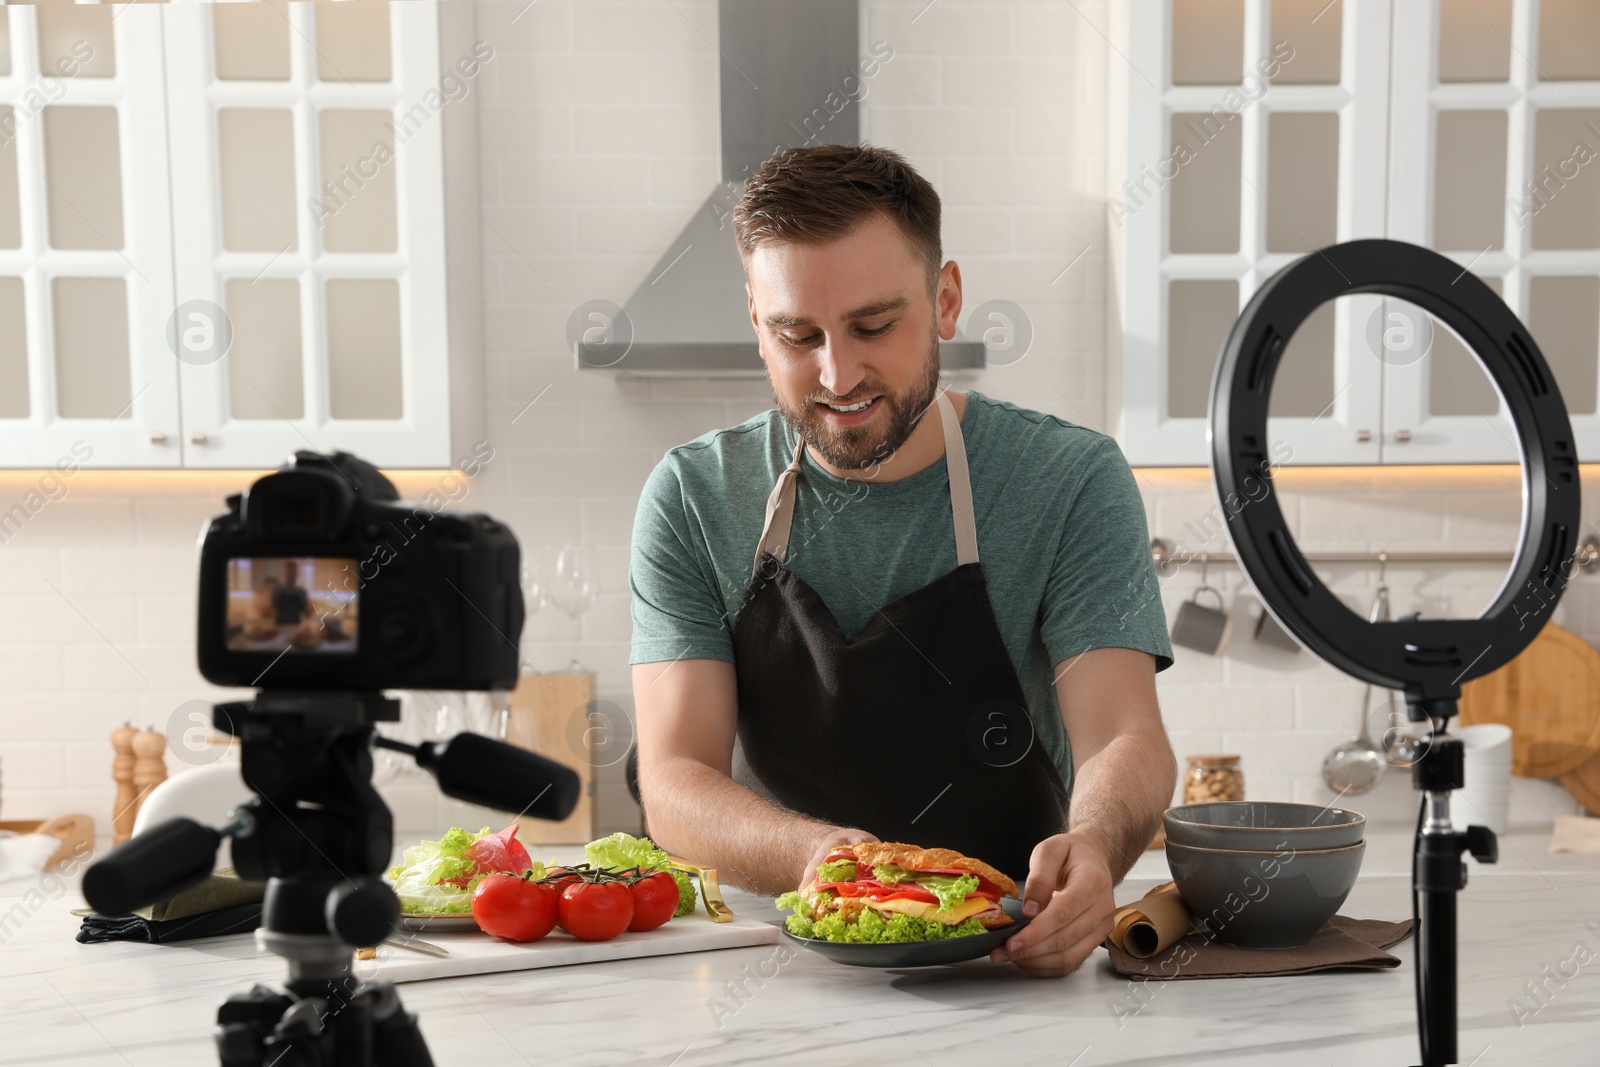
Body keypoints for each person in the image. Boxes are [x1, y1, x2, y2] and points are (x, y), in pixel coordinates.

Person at [628, 143, 1175, 978]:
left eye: (874, 326)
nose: (837, 373)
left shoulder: (1069, 480)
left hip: (1013, 954)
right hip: (768, 960)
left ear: (946, 299)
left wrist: (1096, 844)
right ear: (754, 320)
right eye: (796, 334)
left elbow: (1125, 734)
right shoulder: (693, 494)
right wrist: (825, 859)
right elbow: (672, 776)